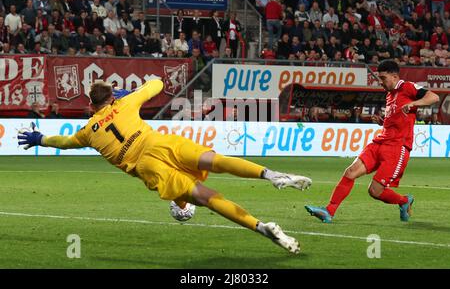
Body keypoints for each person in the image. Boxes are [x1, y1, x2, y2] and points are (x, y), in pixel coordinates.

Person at [18, 79, 313, 254]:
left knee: (207, 198)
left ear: (92, 105)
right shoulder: (125, 103)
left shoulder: (89, 130)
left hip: (147, 165)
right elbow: (157, 86)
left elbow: (64, 142)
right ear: (111, 97)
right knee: (215, 160)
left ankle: (261, 228)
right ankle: (271, 174)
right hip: (159, 143)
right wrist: (126, 93)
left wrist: (40, 138)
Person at [305, 60, 439, 223]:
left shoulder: (407, 87)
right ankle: (329, 211)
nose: (380, 82)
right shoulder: (390, 95)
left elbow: (433, 97)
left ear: (395, 76)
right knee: (350, 172)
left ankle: (404, 201)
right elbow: (397, 120)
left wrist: (414, 103)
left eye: (383, 78)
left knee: (375, 191)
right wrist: (383, 122)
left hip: (397, 148)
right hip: (380, 142)